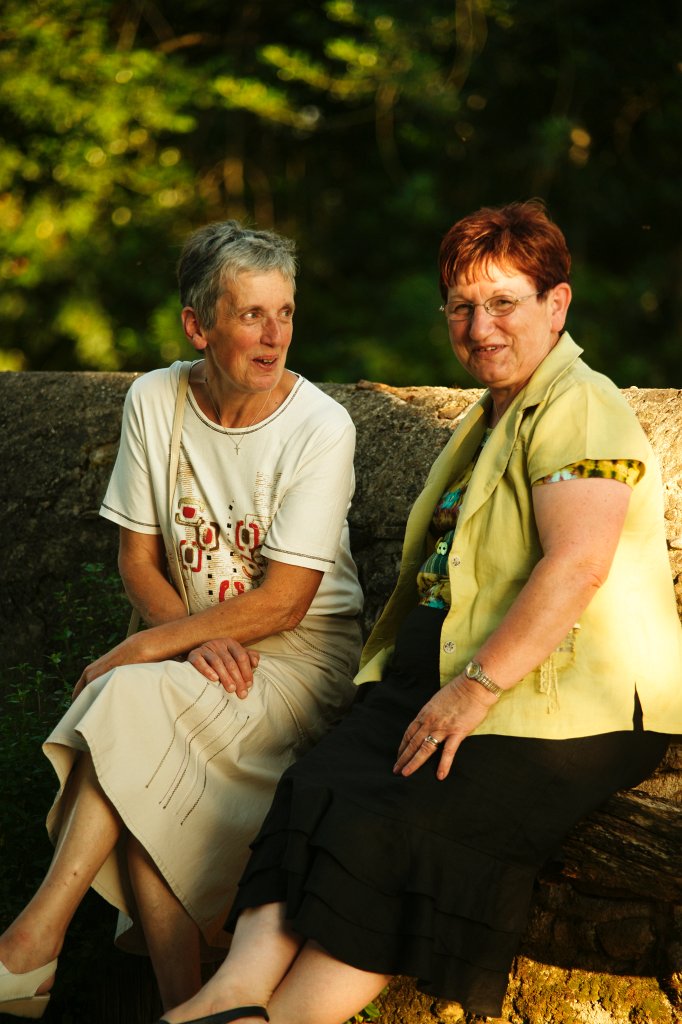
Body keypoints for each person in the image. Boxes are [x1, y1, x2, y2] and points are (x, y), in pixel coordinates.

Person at [158, 200, 682, 1024]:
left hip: (562, 702)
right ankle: (234, 996)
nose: (480, 327)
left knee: (408, 827)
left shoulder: (579, 404)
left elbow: (577, 565)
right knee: (321, 784)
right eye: (462, 307)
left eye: (503, 303)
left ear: (557, 305)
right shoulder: (489, 415)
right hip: (442, 674)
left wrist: (473, 689)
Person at [0, 222, 364, 1019]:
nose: (274, 337)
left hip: (300, 660)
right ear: (198, 326)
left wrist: (149, 647)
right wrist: (183, 643)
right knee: (142, 730)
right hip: (202, 649)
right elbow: (138, 561)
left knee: (128, 699)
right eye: (251, 315)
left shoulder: (320, 426)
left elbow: (286, 602)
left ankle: (31, 942)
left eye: (285, 313)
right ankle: (181, 1006)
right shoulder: (154, 399)